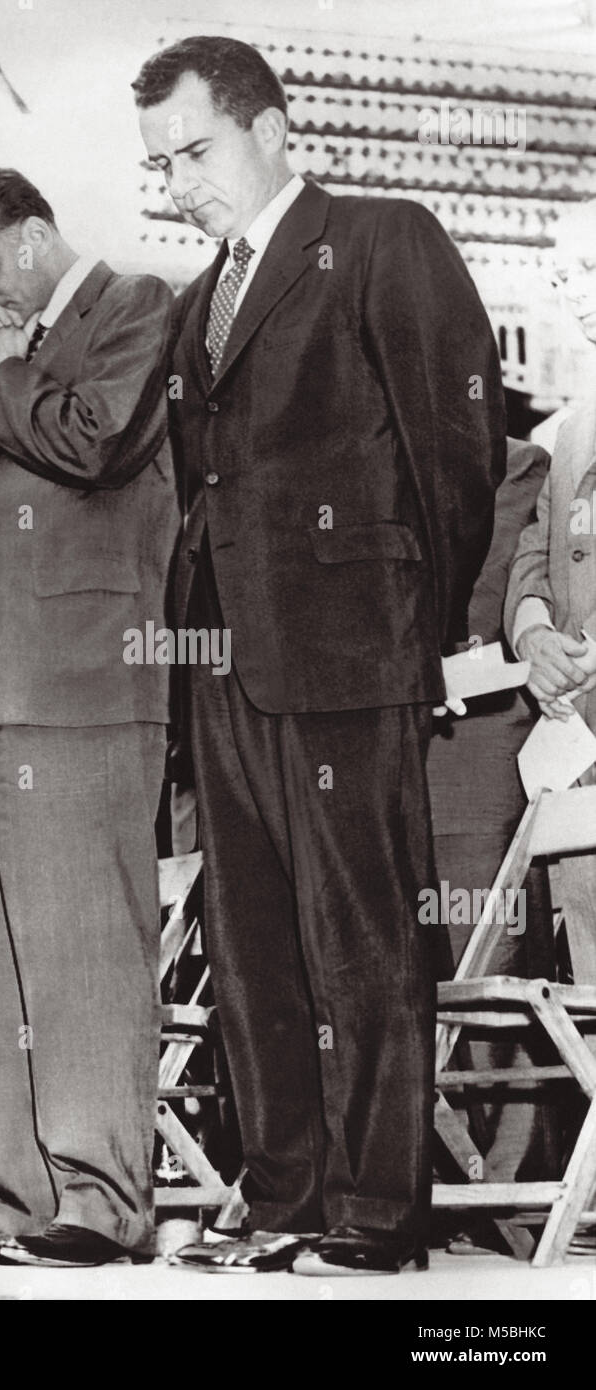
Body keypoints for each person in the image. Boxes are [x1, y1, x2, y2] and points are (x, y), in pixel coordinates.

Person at [133, 35, 506, 1274]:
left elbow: (457, 448)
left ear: (273, 128)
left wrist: (415, 621)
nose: (177, 180)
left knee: (363, 941)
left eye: (194, 150)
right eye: (159, 163)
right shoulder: (197, 303)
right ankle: (282, 1194)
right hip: (226, 668)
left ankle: (376, 1215)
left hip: (351, 651)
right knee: (251, 948)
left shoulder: (382, 238)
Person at [0, 164, 178, 1266]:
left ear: (32, 236)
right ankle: (22, 1196)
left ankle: (102, 1200)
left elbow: (97, 441)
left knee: (82, 952)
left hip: (84, 681)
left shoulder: (135, 304)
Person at [427, 437, 560, 1252]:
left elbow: (487, 604)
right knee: (409, 987)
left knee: (490, 977)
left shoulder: (516, 464)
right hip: (381, 756)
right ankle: (441, 1186)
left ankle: (513, 1203)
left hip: (474, 748)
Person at [504, 198, 596, 986]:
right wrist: (534, 640)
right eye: (565, 276)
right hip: (577, 750)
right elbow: (533, 555)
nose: (578, 293)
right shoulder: (568, 432)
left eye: (592, 269)